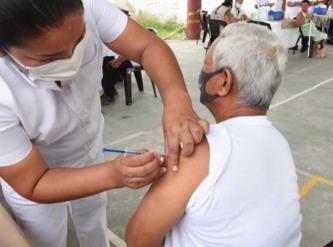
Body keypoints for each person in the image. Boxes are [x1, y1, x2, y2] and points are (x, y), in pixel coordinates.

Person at [0, 0, 209, 246]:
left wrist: (177, 102)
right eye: (50, 58)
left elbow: (147, 47)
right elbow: (33, 182)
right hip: (37, 173)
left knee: (93, 216)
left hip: (90, 146)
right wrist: (112, 174)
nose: (71, 59)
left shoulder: (88, 8)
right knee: (44, 239)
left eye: (80, 40)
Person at [126, 23, 302, 247]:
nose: (202, 74)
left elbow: (138, 237)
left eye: (205, 66)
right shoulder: (279, 142)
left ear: (223, 82)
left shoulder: (201, 149)